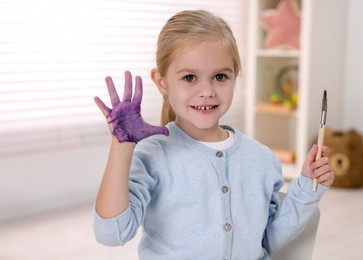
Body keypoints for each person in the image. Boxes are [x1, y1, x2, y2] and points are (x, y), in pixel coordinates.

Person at [92, 9, 334, 259]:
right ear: (162, 82)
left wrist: (307, 188)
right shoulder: (153, 154)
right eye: (190, 78)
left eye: (220, 77)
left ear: (235, 76)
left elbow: (268, 239)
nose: (206, 91)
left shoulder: (261, 158)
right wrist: (122, 147)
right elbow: (112, 234)